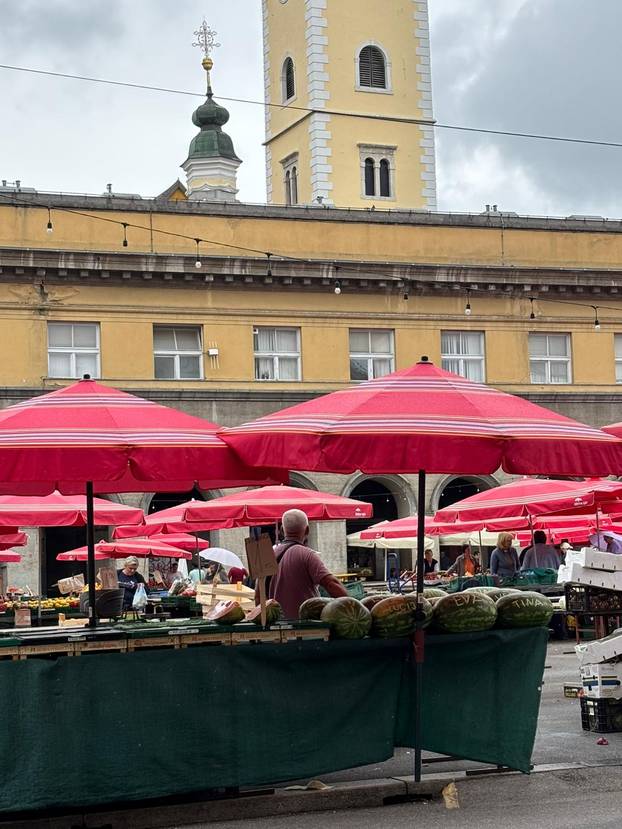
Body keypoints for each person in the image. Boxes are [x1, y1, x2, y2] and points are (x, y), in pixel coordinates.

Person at [264, 508, 347, 619]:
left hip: (277, 625)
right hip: (305, 626)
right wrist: (353, 607)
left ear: (282, 530)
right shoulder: (307, 555)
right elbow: (331, 584)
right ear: (307, 530)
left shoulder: (267, 555)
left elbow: (258, 596)